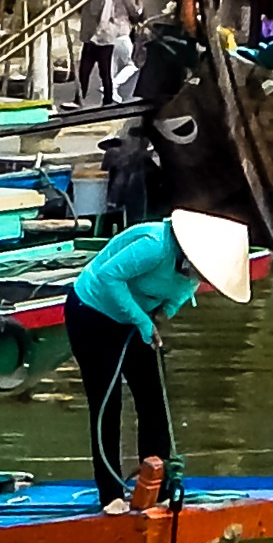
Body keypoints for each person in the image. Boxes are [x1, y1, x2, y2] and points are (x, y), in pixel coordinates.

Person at [65, 209, 248, 508]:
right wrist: (141, 321)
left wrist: (163, 313)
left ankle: (158, 485)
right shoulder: (155, 245)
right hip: (92, 313)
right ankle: (110, 493)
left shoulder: (195, 272)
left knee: (154, 401)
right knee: (107, 405)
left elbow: (179, 294)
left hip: (138, 319)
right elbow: (109, 276)